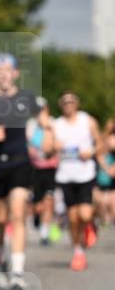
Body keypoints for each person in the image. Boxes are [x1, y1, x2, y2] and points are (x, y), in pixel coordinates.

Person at [0, 54, 41, 290]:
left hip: (20, 162)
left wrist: (42, 140)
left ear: (16, 73)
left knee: (17, 214)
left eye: (9, 70)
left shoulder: (26, 97)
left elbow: (43, 121)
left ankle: (17, 272)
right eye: (0, 70)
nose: (4, 74)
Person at [51, 92, 101, 270]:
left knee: (85, 214)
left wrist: (92, 151)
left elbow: (99, 142)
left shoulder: (87, 120)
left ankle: (90, 224)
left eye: (71, 101)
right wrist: (53, 146)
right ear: (60, 105)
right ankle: (78, 251)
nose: (68, 104)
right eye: (65, 102)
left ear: (77, 103)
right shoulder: (56, 125)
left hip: (85, 174)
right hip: (65, 175)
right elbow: (46, 148)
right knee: (72, 218)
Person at [26, 96, 57, 246]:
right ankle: (37, 217)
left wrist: (47, 128)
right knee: (37, 204)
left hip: (50, 168)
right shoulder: (30, 125)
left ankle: (45, 232)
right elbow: (29, 145)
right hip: (34, 168)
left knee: (49, 200)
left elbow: (52, 146)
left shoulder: (53, 123)